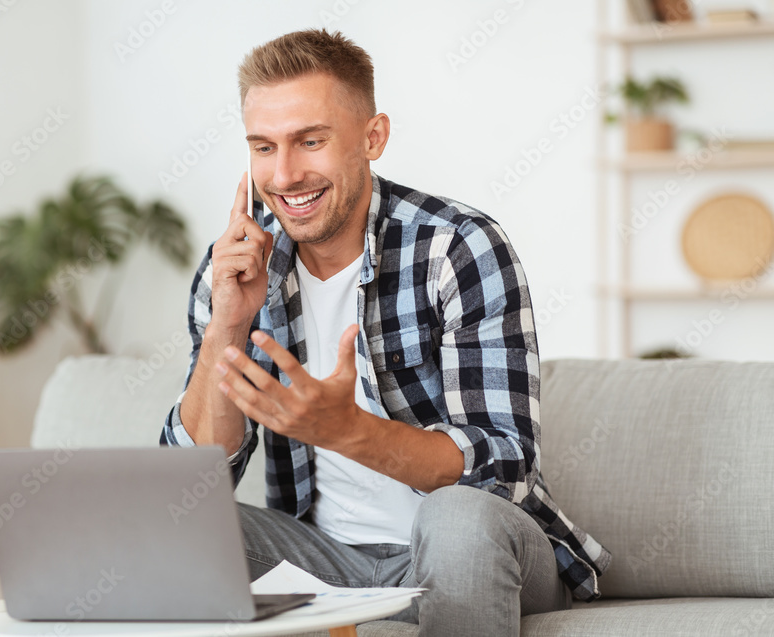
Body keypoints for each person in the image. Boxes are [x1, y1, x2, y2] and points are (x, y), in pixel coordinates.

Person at [161, 28, 610, 636]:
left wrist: (348, 432)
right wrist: (228, 326)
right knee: (173, 522)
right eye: (263, 147)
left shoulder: (457, 248)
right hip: (326, 560)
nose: (286, 174)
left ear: (373, 138)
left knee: (454, 523)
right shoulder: (236, 268)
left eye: (310, 141)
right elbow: (195, 479)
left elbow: (505, 466)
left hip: (475, 552)